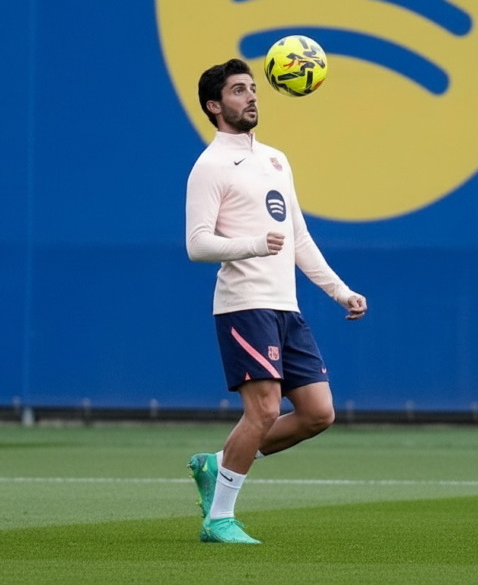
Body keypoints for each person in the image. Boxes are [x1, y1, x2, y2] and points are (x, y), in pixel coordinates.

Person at [185, 58, 367, 544]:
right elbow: (197, 244)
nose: (250, 97)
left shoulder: (275, 159)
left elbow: (297, 237)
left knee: (318, 414)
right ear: (214, 105)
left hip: (285, 307)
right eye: (238, 91)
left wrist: (340, 291)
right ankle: (219, 518)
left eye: (252, 89)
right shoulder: (210, 165)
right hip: (244, 303)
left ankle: (217, 464)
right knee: (263, 410)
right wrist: (251, 245)